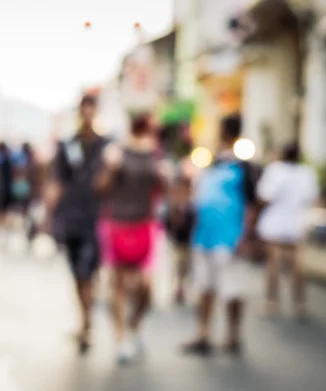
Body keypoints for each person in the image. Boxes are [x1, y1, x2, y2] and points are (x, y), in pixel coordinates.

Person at [183, 114, 258, 356]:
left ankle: (233, 335)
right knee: (205, 286)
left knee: (233, 289)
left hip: (230, 237)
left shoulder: (245, 166)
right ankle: (203, 333)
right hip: (205, 235)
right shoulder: (212, 161)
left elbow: (252, 204)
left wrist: (246, 236)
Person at [95, 114, 163, 364]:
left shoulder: (154, 153)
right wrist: (112, 169)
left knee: (146, 286)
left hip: (145, 224)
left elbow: (161, 189)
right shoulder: (116, 151)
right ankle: (120, 339)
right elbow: (100, 187)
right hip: (117, 223)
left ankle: (135, 323)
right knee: (119, 286)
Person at [45, 94, 108, 354]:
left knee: (87, 272)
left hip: (96, 218)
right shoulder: (68, 145)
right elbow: (56, 182)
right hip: (71, 217)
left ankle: (87, 325)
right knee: (77, 274)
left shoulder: (106, 146)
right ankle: (84, 320)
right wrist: (49, 217)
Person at [256, 142, 319, 319]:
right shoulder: (306, 173)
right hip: (295, 223)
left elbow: (265, 195)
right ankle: (300, 304)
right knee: (296, 265)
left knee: (273, 264)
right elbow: (311, 197)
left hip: (276, 223)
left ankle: (272, 302)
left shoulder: (275, 170)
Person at [164, 176, 196, 305]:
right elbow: (167, 224)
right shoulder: (170, 208)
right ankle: (177, 289)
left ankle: (182, 288)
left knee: (185, 267)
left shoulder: (191, 208)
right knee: (176, 266)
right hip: (176, 242)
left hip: (187, 242)